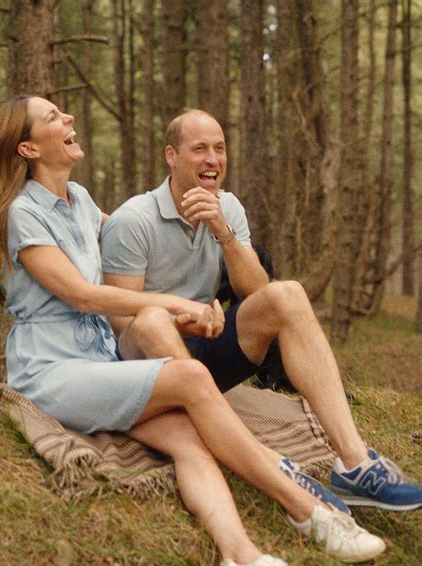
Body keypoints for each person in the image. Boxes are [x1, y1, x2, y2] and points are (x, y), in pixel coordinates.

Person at [0, 96, 383, 566]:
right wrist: (175, 304)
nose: (68, 118)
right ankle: (305, 505)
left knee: (189, 440)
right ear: (28, 147)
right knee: (190, 378)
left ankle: (242, 561)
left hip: (101, 363)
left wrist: (203, 259)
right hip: (51, 370)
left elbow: (127, 231)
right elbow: (81, 295)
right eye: (53, 117)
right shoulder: (22, 213)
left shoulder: (79, 200)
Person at [101, 107, 422, 516]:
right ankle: (258, 457)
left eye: (219, 148)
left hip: (206, 350)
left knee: (287, 294)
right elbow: (120, 323)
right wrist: (180, 319)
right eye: (199, 149)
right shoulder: (133, 220)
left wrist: (223, 232)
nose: (212, 160)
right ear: (171, 156)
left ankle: (354, 462)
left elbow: (256, 292)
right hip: (149, 368)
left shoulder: (228, 208)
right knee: (150, 321)